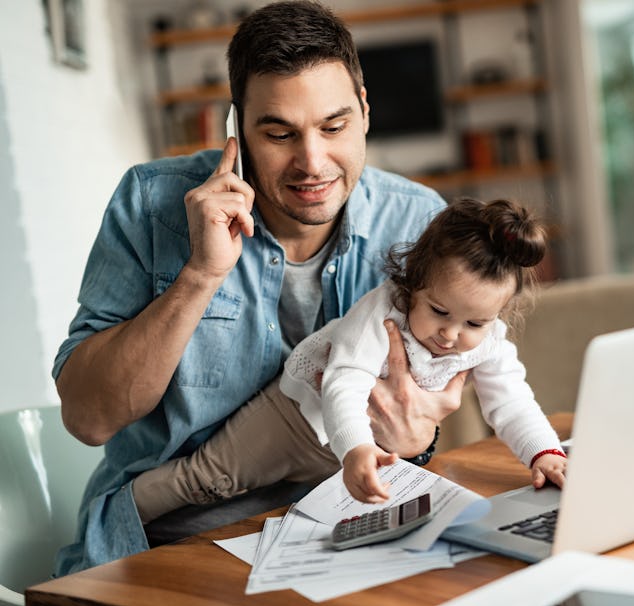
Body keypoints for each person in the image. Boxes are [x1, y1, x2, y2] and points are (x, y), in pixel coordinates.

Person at [52, 0, 465, 576]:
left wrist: (418, 437)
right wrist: (200, 274)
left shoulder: (419, 221)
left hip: (350, 525)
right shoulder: (150, 206)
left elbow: (430, 405)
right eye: (278, 133)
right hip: (174, 540)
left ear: (365, 110)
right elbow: (88, 418)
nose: (312, 162)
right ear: (236, 129)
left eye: (334, 126)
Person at [132, 197, 567, 522]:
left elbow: (511, 401)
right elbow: (345, 382)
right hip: (294, 418)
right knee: (207, 480)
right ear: (414, 283)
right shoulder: (382, 311)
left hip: (351, 451)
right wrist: (357, 449)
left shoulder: (489, 342)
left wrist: (543, 454)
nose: (451, 335)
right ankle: (125, 509)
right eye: (439, 312)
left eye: (475, 322)